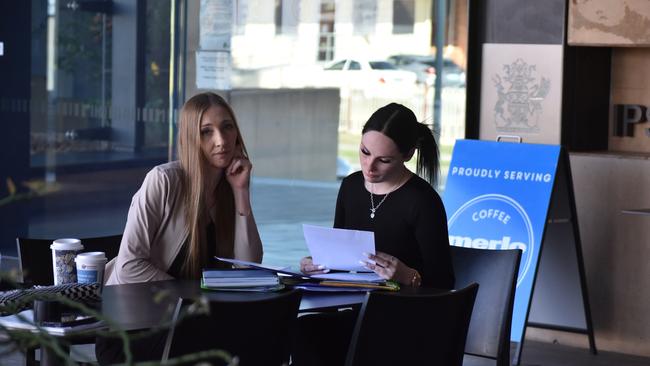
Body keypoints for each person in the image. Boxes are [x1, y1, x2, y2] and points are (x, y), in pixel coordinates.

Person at [97, 92, 263, 364]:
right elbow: (128, 266)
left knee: (256, 333)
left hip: (191, 325)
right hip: (133, 330)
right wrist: (193, 299)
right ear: (190, 138)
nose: (221, 141)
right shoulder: (163, 181)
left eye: (227, 127)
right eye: (206, 132)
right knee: (222, 339)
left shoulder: (229, 187)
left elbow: (248, 266)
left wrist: (241, 192)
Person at [293, 102, 454, 366]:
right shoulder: (351, 186)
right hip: (358, 312)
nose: (369, 167)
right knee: (304, 331)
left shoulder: (423, 201)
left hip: (407, 321)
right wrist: (320, 263)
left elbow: (445, 283)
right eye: (365, 153)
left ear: (408, 155)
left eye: (384, 160)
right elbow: (342, 255)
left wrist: (407, 275)